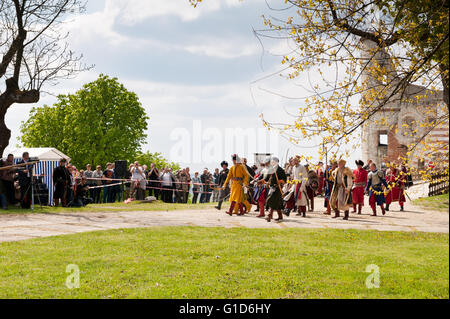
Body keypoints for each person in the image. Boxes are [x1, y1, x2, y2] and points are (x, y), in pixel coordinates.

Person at [263, 157, 287, 222]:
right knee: (277, 203)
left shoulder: (280, 170)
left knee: (271, 200)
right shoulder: (271, 169)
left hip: (278, 188)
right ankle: (280, 216)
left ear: (276, 162)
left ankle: (269, 215)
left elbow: (285, 180)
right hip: (272, 188)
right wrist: (263, 180)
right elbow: (267, 178)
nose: (271, 163)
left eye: (273, 161)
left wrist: (280, 181)